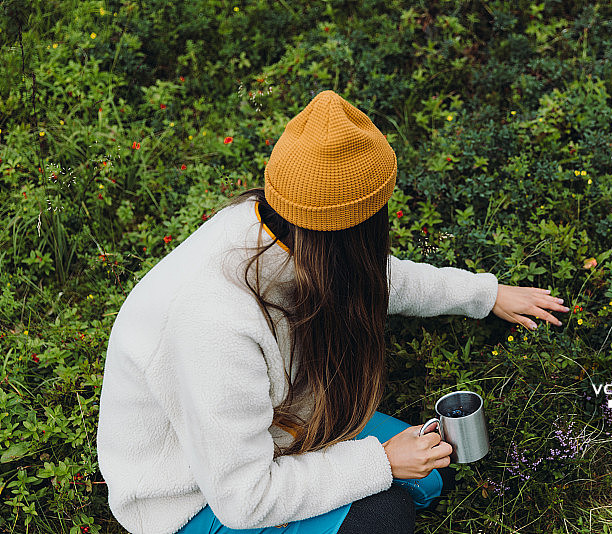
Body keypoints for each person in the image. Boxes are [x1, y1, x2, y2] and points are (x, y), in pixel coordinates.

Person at [96, 90, 569, 534]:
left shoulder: (289, 231)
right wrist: (383, 462)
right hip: (193, 497)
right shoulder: (215, 323)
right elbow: (243, 499)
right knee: (385, 515)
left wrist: (486, 295)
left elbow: (378, 276)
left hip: (277, 427)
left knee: (430, 475)